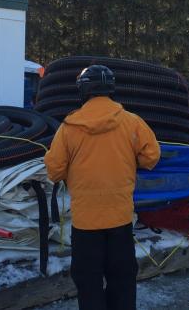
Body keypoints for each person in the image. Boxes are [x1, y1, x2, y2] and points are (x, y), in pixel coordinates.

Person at [44, 65, 160, 310]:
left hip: (86, 223)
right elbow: (151, 157)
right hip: (120, 219)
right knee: (123, 280)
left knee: (88, 282)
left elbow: (54, 171)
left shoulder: (68, 128)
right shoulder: (132, 122)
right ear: (111, 89)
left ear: (83, 90)